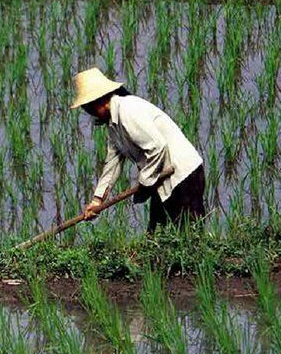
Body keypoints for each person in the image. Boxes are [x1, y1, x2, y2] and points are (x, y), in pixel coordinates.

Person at [71, 67, 206, 233]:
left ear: (101, 100)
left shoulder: (128, 110)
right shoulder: (114, 125)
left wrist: (145, 182)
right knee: (158, 233)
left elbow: (158, 147)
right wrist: (97, 200)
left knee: (190, 233)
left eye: (89, 108)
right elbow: (112, 164)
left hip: (183, 174)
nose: (91, 114)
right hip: (161, 177)